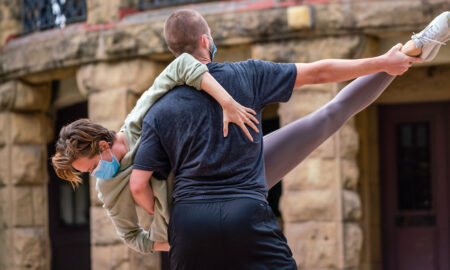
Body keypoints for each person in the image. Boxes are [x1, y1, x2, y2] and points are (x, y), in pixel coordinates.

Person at [127, 9, 450, 270]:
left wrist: (166, 222)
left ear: (173, 52)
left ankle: (412, 48)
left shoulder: (159, 107)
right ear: (205, 40)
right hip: (245, 208)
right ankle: (413, 48)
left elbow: (138, 185)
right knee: (331, 114)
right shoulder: (246, 74)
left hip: (191, 223)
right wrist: (383, 63)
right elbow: (320, 72)